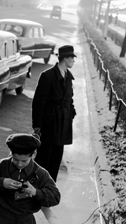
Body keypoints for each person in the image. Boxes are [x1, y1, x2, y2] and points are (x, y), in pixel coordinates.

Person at [32, 45, 77, 182]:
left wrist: (71, 115)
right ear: (65, 59)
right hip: (49, 123)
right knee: (44, 156)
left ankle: (50, 188)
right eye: (72, 58)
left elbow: (69, 99)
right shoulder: (47, 76)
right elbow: (38, 102)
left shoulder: (68, 77)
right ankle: (36, 186)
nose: (74, 61)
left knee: (57, 157)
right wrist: (37, 125)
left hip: (63, 124)